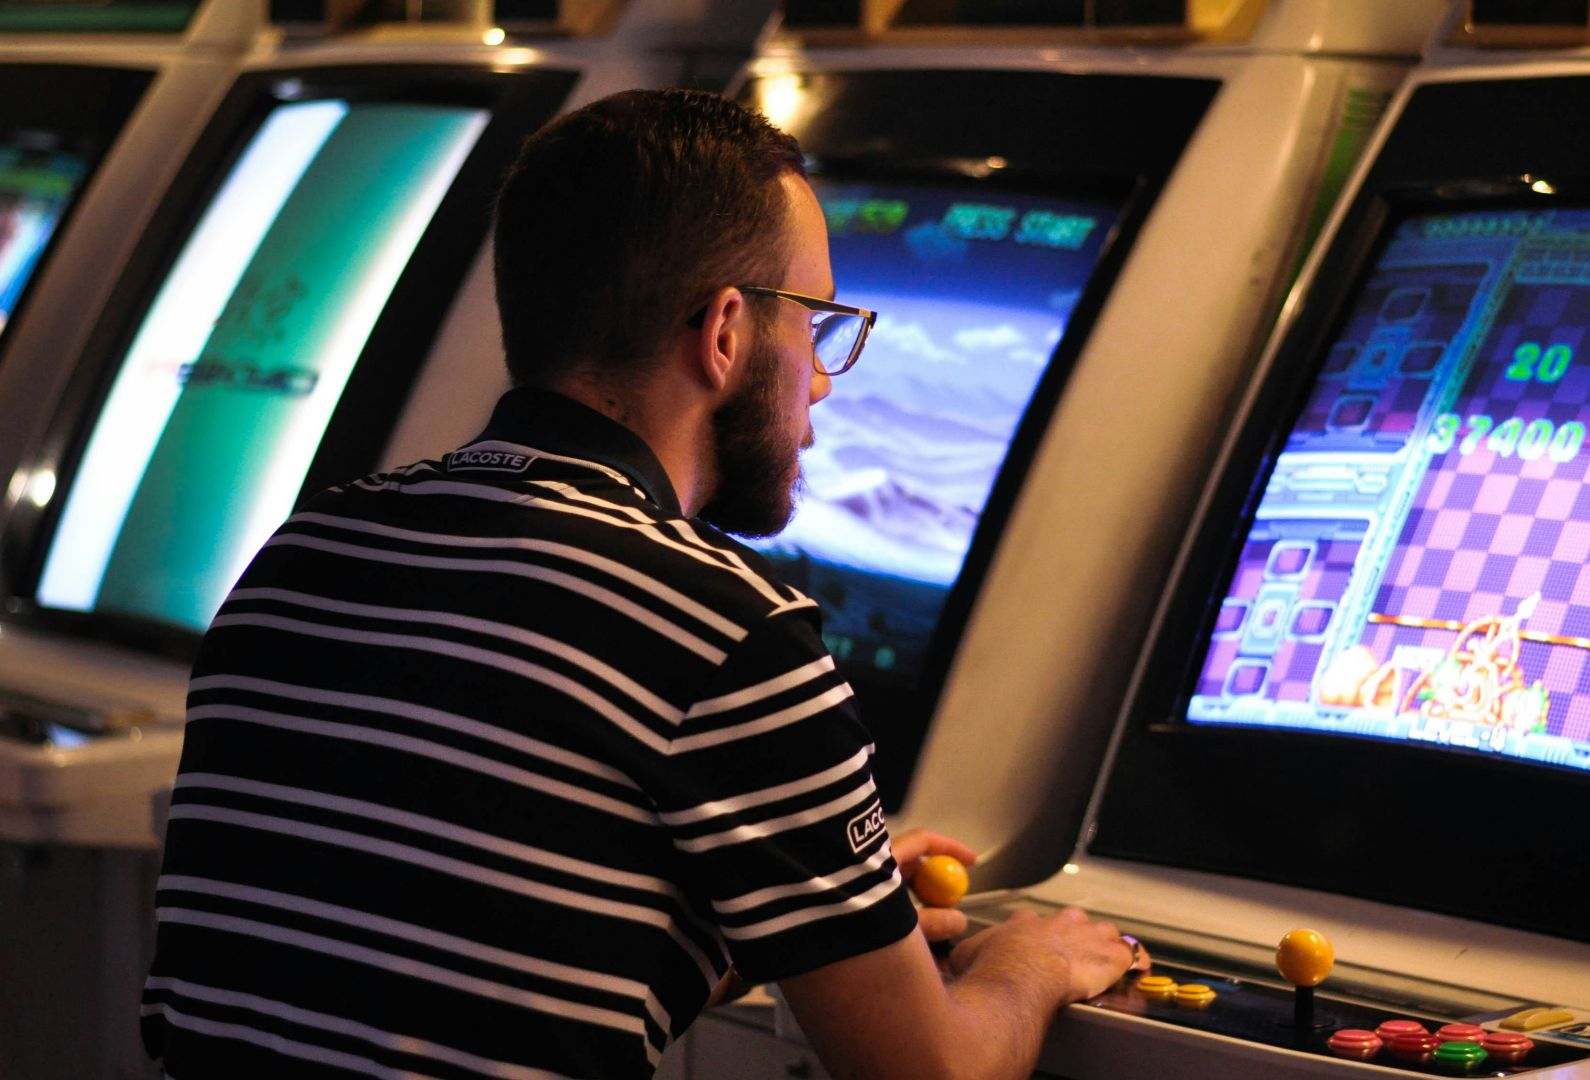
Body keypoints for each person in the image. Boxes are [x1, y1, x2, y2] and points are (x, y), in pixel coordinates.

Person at [141, 88, 1139, 1080]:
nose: (825, 379)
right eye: (820, 325)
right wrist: (1029, 965)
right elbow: (932, 1071)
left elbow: (449, 975)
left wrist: (807, 912)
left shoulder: (309, 544)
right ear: (725, 333)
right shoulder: (727, 630)